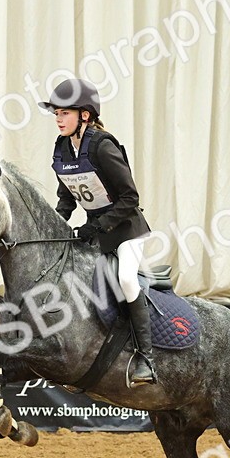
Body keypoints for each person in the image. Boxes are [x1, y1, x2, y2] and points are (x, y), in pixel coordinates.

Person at [38, 78, 157, 387]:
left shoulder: (103, 146)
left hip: (127, 230)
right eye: (56, 114)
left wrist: (96, 226)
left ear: (85, 115)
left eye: (65, 113)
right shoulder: (62, 148)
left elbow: (130, 198)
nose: (58, 119)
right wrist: (54, 227)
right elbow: (66, 198)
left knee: (127, 278)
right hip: (99, 233)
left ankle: (146, 358)